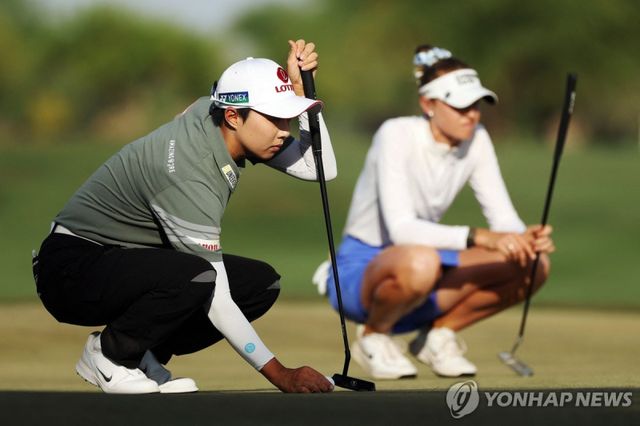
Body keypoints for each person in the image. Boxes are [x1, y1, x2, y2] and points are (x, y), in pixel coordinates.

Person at [32, 39, 336, 394]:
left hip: (125, 260)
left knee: (258, 285)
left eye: (286, 117)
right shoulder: (188, 172)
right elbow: (217, 300)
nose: (284, 129)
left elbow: (321, 167)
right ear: (233, 116)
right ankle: (111, 355)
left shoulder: (216, 115)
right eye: (274, 117)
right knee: (199, 276)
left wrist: (299, 95)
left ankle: (142, 356)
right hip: (71, 269)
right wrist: (280, 374)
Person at [314, 44, 554, 380]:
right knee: (421, 261)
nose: (471, 115)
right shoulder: (396, 134)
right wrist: (481, 237)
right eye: (460, 106)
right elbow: (401, 230)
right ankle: (373, 337)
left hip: (426, 268)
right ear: (428, 104)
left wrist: (523, 238)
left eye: (476, 105)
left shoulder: (477, 138)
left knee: (533, 264)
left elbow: (503, 218)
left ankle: (437, 336)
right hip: (360, 271)